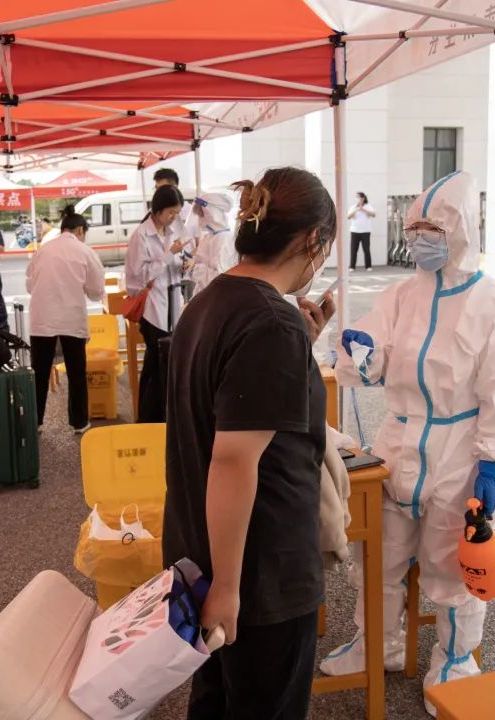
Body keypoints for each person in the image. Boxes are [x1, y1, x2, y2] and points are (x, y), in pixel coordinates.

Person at [319, 171, 495, 717]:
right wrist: (361, 351)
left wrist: (494, 464)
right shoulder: (401, 294)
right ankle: (379, 646)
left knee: (450, 569)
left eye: (431, 229)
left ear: (460, 232)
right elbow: (364, 366)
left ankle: (455, 661)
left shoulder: (493, 304)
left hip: (459, 452)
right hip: (398, 442)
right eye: (414, 229)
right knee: (378, 559)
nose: (419, 240)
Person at [162, 167, 337, 720]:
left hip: (204, 552)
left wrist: (300, 344)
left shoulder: (212, 301)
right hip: (259, 571)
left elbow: (233, 413)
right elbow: (234, 461)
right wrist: (230, 587)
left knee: (216, 702)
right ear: (313, 239)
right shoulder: (270, 323)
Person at [26, 205, 105, 434]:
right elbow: (96, 292)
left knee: (40, 372)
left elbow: (30, 285)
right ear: (80, 230)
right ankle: (79, 422)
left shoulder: (43, 250)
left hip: (42, 319)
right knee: (76, 372)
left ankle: (35, 422)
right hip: (71, 319)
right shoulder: (85, 252)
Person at [124, 184, 185, 423]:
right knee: (156, 365)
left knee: (160, 364)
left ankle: (156, 415)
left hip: (171, 306)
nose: (174, 217)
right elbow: (138, 276)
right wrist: (169, 255)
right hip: (152, 309)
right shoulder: (141, 235)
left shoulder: (171, 232)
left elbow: (172, 267)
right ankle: (150, 417)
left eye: (177, 213)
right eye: (171, 212)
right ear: (158, 210)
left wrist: (184, 264)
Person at [189, 192, 235, 296]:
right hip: (204, 295)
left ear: (212, 213)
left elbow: (219, 279)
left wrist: (194, 268)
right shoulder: (209, 236)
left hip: (216, 298)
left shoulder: (224, 238)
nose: (200, 218)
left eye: (202, 214)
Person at [348, 191, 376, 271]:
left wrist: (363, 209)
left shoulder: (368, 206)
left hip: (365, 231)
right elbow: (348, 216)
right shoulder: (353, 207)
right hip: (354, 231)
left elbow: (373, 215)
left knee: (366, 249)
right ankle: (352, 267)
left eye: (358, 197)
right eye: (356, 197)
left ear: (363, 198)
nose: (357, 199)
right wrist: (356, 209)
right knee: (353, 250)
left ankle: (368, 266)